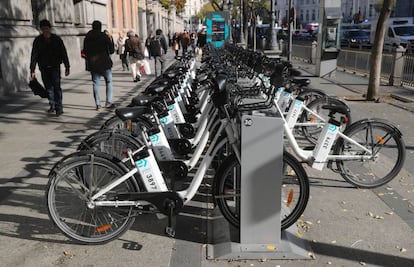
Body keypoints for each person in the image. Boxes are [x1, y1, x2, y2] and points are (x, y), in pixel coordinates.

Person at [30, 19, 70, 117]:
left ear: (50, 28)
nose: (45, 31)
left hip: (55, 67)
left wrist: (67, 66)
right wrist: (32, 69)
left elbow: (63, 53)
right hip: (43, 68)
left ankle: (59, 108)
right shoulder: (38, 41)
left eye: (46, 29)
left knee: (57, 87)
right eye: (43, 29)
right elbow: (34, 55)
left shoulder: (57, 39)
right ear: (41, 29)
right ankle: (52, 104)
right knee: (48, 88)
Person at [83, 20, 115, 111]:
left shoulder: (88, 37)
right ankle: (108, 102)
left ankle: (98, 104)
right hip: (105, 63)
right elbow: (112, 50)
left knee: (96, 83)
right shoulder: (104, 36)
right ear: (100, 27)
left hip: (93, 64)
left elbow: (85, 51)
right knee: (109, 82)